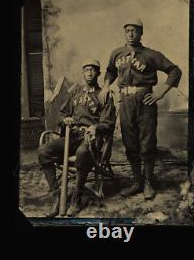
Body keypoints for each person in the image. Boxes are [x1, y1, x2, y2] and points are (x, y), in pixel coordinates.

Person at [99, 18, 182, 200]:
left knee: (147, 142)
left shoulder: (151, 55)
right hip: (125, 101)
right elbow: (110, 71)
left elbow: (175, 71)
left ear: (141, 33)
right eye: (127, 30)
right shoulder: (117, 53)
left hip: (145, 101)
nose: (130, 33)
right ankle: (137, 182)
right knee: (130, 143)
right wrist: (106, 86)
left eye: (134, 30)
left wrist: (160, 92)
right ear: (124, 32)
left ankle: (148, 182)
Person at [37, 59, 116, 217]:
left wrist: (95, 127)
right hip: (71, 135)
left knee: (82, 152)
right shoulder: (75, 93)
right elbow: (62, 113)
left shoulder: (104, 95)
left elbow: (108, 123)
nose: (89, 73)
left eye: (93, 70)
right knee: (43, 151)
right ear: (82, 72)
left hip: (92, 137)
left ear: (98, 73)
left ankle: (77, 195)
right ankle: (57, 196)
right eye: (86, 69)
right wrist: (65, 120)